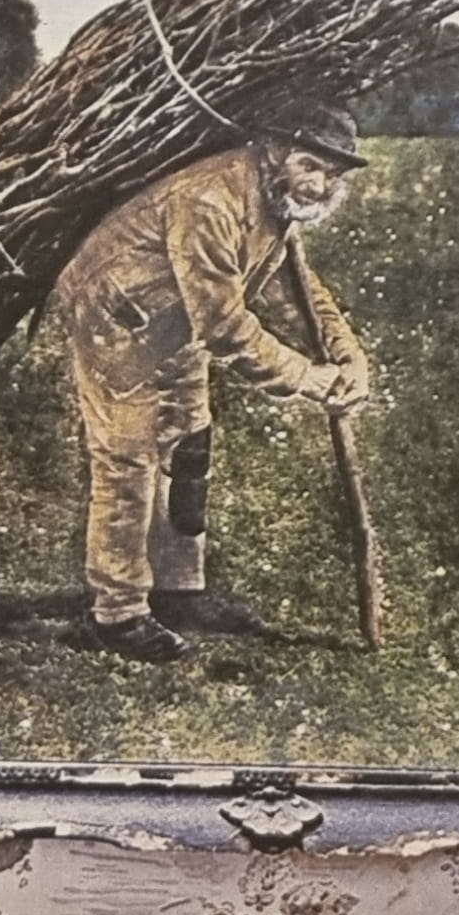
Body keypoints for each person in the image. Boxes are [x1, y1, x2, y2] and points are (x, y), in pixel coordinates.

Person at [51, 99, 372, 662]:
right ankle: (118, 612)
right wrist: (310, 379)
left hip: (177, 320)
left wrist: (349, 356)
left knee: (189, 446)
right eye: (311, 165)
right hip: (118, 318)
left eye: (333, 174)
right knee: (128, 459)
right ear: (275, 150)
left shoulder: (274, 199)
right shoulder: (210, 199)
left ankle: (179, 589)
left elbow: (295, 292)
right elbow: (224, 328)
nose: (320, 185)